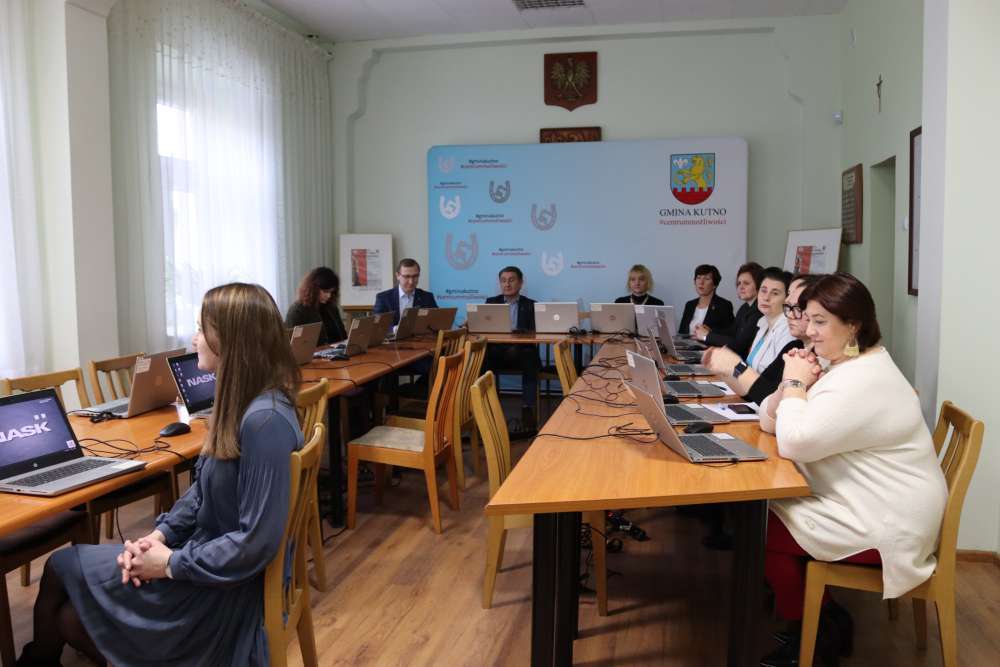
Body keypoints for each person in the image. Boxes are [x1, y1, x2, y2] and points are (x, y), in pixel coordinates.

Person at [19, 283, 304, 666]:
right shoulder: (248, 405)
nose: (195, 339)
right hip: (210, 567)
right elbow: (203, 492)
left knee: (61, 574)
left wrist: (168, 564)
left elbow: (255, 542)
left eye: (201, 329)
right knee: (68, 610)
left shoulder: (263, 421)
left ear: (230, 341)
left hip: (224, 591)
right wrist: (159, 536)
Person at [756, 272, 947, 667]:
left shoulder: (863, 378)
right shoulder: (843, 365)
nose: (809, 330)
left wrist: (794, 383)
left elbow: (794, 441)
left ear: (853, 326)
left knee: (762, 528)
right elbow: (770, 422)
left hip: (891, 519)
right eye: (807, 318)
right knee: (764, 516)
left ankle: (818, 633)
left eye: (820, 321)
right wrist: (789, 387)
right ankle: (823, 620)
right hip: (869, 500)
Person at [702, 267, 799, 405]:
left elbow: (769, 385)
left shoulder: (788, 331)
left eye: (775, 293)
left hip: (764, 403)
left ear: (787, 300)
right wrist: (722, 370)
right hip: (750, 397)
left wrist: (733, 364)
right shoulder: (762, 323)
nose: (766, 297)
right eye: (763, 291)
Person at [484, 266, 541, 431]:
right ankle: (487, 408)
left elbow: (535, 331)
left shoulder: (531, 305)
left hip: (521, 351)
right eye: (503, 281)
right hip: (497, 352)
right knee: (483, 358)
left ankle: (528, 409)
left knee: (530, 357)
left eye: (511, 280)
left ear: (521, 283)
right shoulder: (491, 303)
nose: (507, 284)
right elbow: (483, 328)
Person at [693, 261, 763, 354]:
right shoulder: (745, 307)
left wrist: (707, 336)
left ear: (759, 285)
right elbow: (732, 332)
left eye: (746, 283)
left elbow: (739, 346)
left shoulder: (759, 310)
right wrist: (710, 331)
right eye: (739, 283)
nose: (741, 287)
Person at [285, 266, 348, 345]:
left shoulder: (331, 307)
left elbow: (343, 336)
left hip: (336, 351)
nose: (329, 296)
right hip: (313, 353)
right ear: (313, 288)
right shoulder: (297, 311)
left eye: (331, 292)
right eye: (325, 291)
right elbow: (292, 345)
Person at [373, 258, 438, 327]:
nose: (411, 282)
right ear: (398, 276)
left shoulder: (427, 297)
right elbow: (377, 325)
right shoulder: (383, 298)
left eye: (415, 276)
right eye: (407, 277)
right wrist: (395, 329)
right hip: (392, 334)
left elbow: (435, 322)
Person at [677, 264, 734, 335]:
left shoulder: (724, 305)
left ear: (714, 285)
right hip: (688, 342)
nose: (701, 282)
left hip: (710, 342)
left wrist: (711, 332)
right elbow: (681, 333)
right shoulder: (689, 305)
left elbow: (731, 333)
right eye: (698, 278)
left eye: (707, 279)